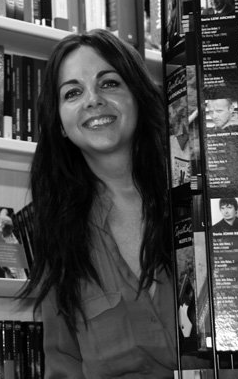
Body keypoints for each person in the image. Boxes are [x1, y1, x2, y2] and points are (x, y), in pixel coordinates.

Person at [18, 29, 177, 377]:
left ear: (138, 96)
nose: (93, 100)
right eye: (73, 92)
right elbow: (64, 365)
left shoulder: (197, 200)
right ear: (60, 123)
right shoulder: (59, 233)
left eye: (109, 83)